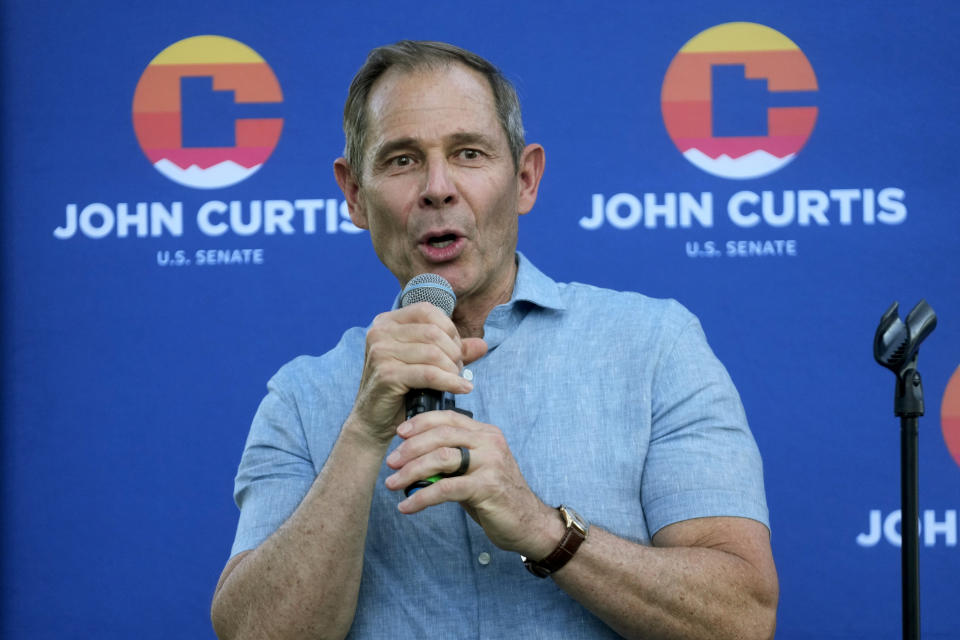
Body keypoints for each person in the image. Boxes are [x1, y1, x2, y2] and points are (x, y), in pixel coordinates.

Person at [210, 40, 778, 640]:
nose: (437, 188)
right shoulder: (302, 397)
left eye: (469, 153)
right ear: (354, 194)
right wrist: (362, 434)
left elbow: (742, 618)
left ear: (526, 179)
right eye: (401, 160)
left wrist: (545, 530)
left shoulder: (655, 346)